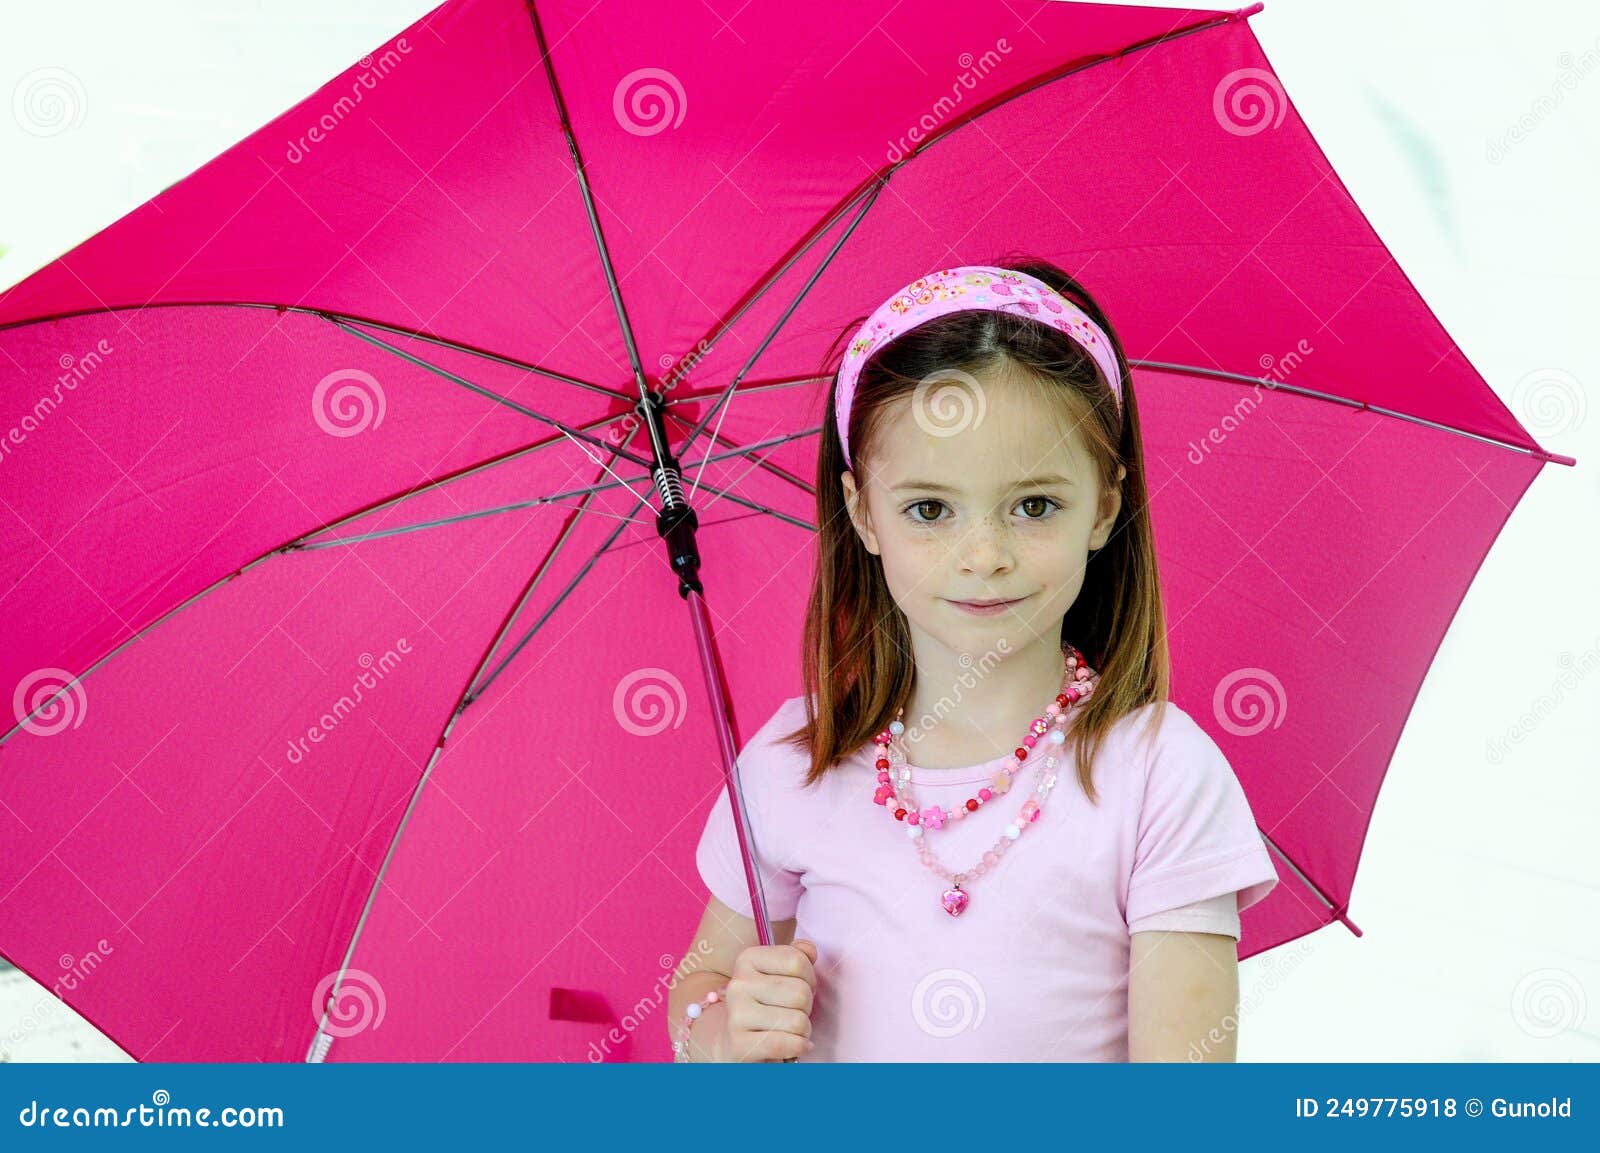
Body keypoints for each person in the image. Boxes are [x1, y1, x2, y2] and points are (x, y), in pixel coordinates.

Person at [666, 260, 1278, 1062]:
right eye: (929, 508)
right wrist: (724, 1032)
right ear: (862, 512)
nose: (983, 554)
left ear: (1104, 504)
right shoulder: (793, 768)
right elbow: (696, 988)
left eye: (1033, 505)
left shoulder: (1159, 777)